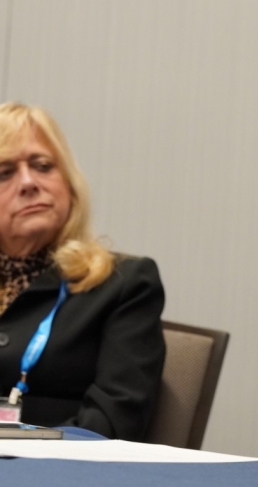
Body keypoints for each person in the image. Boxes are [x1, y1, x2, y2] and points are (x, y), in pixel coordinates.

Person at [0, 102, 165, 440]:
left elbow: (112, 425)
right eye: (5, 172)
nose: (29, 182)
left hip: (56, 476)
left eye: (43, 165)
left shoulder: (124, 284)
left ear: (69, 184)